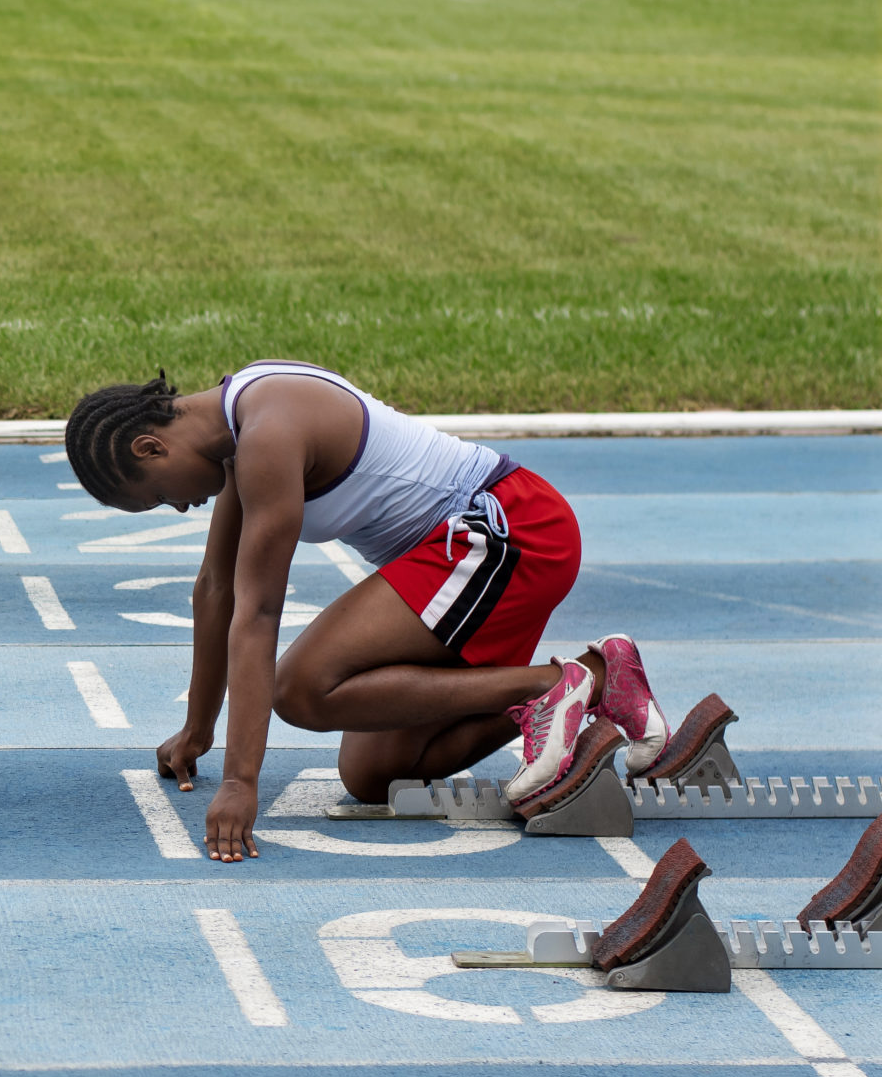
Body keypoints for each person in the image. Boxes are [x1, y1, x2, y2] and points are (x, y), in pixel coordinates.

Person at [64, 362, 670, 863]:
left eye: (161, 496)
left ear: (151, 445)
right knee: (377, 775)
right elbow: (215, 589)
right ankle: (597, 679)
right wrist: (199, 730)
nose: (179, 507)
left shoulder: (267, 433)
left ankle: (553, 685)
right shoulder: (233, 438)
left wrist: (239, 781)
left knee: (301, 688)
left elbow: (257, 612)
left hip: (511, 532)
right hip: (469, 555)